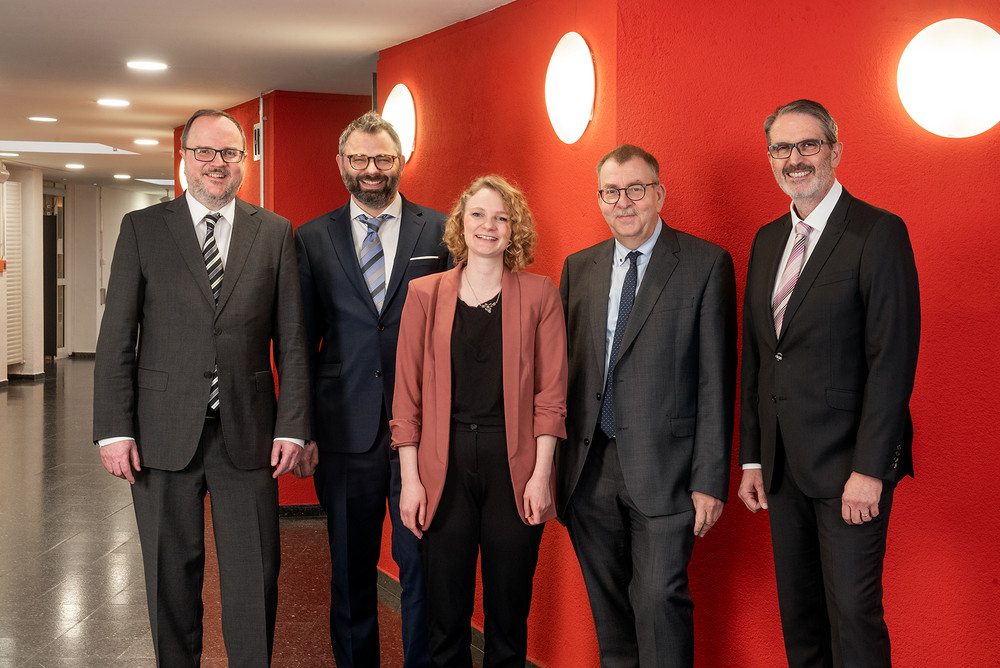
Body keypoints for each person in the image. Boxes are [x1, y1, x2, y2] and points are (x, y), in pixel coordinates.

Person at [93, 108, 309, 667]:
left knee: (255, 577)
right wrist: (113, 430)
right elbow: (117, 335)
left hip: (250, 435)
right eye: (205, 152)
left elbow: (292, 340)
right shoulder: (143, 228)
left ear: (244, 162)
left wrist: (293, 427)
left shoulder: (275, 232)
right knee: (170, 577)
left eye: (230, 153)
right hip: (160, 435)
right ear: (184, 159)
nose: (218, 163)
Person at [738, 99, 920, 668]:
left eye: (808, 145)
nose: (794, 159)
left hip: (849, 469)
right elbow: (758, 356)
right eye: (781, 148)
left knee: (853, 618)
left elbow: (892, 361)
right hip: (781, 467)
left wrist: (871, 470)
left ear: (835, 151)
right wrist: (752, 459)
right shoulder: (767, 239)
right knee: (801, 619)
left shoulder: (878, 231)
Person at [557, 144, 737, 667]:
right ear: (599, 199)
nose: (624, 202)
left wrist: (710, 479)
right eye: (611, 192)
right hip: (589, 469)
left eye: (635, 189)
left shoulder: (705, 264)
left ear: (659, 194)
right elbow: (565, 371)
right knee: (610, 616)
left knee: (660, 602)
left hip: (669, 471)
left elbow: (716, 381)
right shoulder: (579, 268)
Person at [391, 175, 567, 667]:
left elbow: (551, 396)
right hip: (440, 466)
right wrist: (411, 481)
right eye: (478, 214)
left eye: (501, 217)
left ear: (515, 229)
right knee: (445, 618)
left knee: (508, 618)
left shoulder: (540, 294)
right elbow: (406, 398)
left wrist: (541, 476)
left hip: (515, 468)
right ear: (461, 223)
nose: (488, 225)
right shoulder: (425, 293)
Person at [293, 111, 449, 667]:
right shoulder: (312, 238)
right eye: (359, 158)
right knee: (351, 571)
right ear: (341, 162)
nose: (371, 169)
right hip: (343, 432)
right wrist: (302, 431)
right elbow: (299, 342)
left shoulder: (440, 231)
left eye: (382, 158)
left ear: (400, 160)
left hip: (424, 431)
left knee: (423, 569)